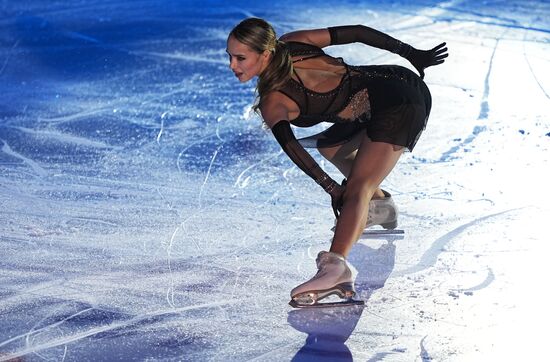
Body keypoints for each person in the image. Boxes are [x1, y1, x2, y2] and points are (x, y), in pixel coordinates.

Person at [226, 18, 447, 307]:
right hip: (391, 84)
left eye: (241, 57)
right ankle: (379, 206)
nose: (233, 65)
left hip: (399, 103)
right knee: (331, 146)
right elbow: (356, 32)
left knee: (357, 188)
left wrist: (335, 189)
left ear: (265, 54)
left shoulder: (274, 99)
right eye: (230, 56)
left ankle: (336, 268)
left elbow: (293, 148)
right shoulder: (296, 40)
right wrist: (409, 54)